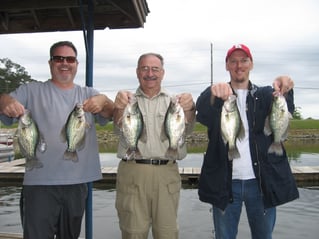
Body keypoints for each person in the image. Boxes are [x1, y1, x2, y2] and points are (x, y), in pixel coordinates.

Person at [0, 41, 114, 239]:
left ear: (76, 64)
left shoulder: (88, 94)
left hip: (77, 184)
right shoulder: (30, 90)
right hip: (39, 184)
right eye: (58, 58)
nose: (64, 63)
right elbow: (3, 102)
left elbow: (113, 112)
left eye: (69, 59)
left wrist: (103, 100)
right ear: (50, 63)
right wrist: (6, 101)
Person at [196, 44, 299, 239]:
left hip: (261, 183)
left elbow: (287, 111)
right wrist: (213, 94)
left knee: (264, 236)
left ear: (251, 64)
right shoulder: (218, 94)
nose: (238, 65)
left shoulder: (267, 95)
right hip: (225, 184)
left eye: (244, 60)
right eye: (233, 61)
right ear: (227, 66)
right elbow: (203, 115)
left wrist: (286, 87)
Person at [113, 53, 196, 239]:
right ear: (137, 72)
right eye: (144, 68)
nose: (150, 73)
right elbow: (119, 130)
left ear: (163, 73)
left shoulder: (175, 102)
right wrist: (118, 107)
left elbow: (188, 128)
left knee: (167, 234)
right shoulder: (126, 101)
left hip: (166, 174)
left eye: (155, 69)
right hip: (132, 172)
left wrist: (190, 108)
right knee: (133, 233)